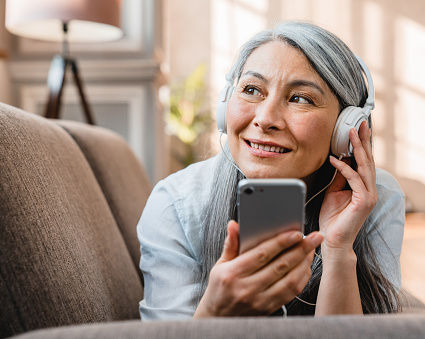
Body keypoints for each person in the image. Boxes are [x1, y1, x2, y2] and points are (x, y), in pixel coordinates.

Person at [137, 21, 405, 319]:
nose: (265, 119)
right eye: (251, 90)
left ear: (346, 128)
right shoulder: (177, 203)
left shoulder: (375, 197)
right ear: (225, 105)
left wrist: (339, 250)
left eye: (300, 98)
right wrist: (214, 310)